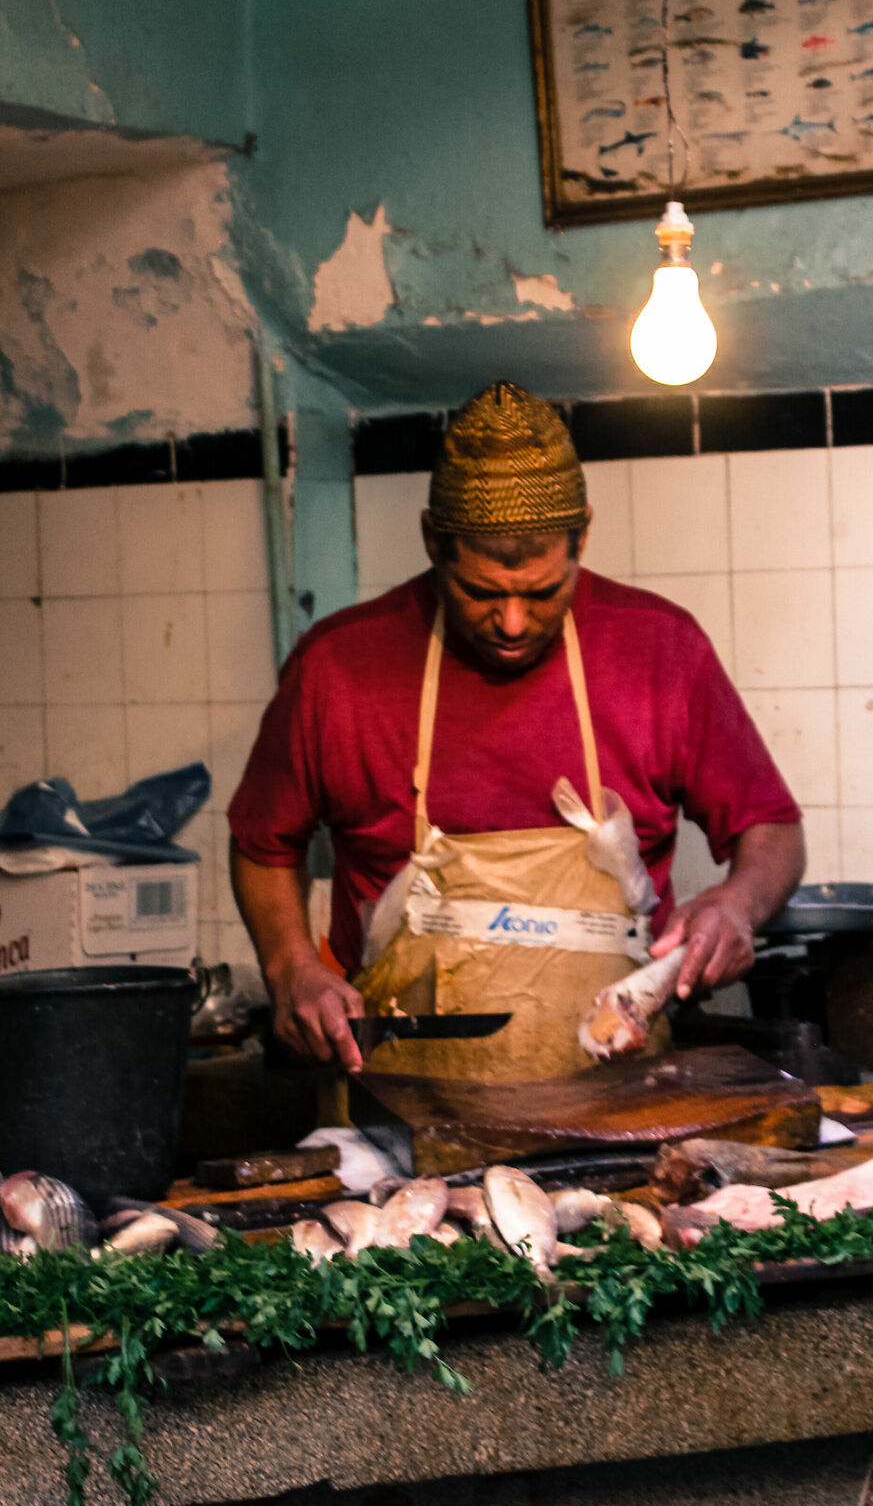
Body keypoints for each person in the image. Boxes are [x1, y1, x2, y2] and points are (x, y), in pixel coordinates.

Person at [227, 381, 805, 1082]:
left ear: (582, 535)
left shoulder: (661, 650)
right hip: (399, 1105)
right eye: (479, 592)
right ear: (433, 541)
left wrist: (738, 904)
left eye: (541, 592)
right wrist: (290, 967)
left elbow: (771, 828)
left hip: (623, 1099)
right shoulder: (338, 666)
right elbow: (263, 841)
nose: (510, 623)